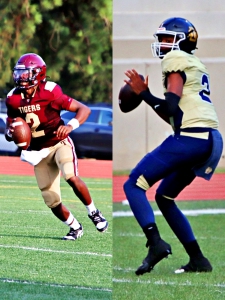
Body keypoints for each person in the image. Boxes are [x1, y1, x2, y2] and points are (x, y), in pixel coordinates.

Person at [122, 17, 223, 274]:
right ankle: (199, 259)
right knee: (164, 197)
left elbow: (168, 106)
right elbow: (173, 115)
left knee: (133, 184)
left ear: (179, 40)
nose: (162, 44)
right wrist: (146, 96)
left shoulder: (174, 60)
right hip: (210, 138)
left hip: (192, 138)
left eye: (166, 39)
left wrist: (143, 92)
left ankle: (155, 243)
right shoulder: (195, 64)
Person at [5, 53, 108, 240]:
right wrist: (11, 133)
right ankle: (75, 227)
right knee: (50, 199)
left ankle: (94, 212)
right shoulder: (13, 98)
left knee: (71, 177)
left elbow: (84, 109)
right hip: (37, 151)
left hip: (58, 142)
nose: (21, 77)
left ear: (37, 74)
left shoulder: (50, 91)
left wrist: (70, 126)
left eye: (26, 73)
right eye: (19, 73)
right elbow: (10, 125)